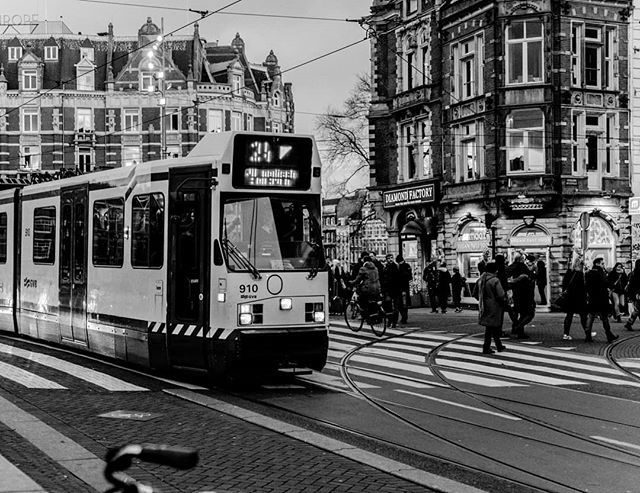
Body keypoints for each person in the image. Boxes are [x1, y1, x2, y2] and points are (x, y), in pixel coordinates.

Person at [474, 261, 506, 354]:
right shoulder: (495, 280)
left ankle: (498, 345)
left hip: (484, 305)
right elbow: (500, 295)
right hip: (494, 306)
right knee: (491, 327)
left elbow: (475, 293)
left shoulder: (481, 279)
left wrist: (482, 299)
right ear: (495, 270)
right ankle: (487, 347)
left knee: (492, 326)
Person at [585, 257, 619, 343]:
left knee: (591, 316)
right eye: (602, 263)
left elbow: (587, 285)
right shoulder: (601, 273)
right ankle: (609, 335)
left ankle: (588, 336)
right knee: (604, 318)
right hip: (601, 298)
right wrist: (611, 285)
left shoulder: (589, 273)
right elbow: (605, 283)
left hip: (592, 298)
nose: (604, 265)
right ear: (597, 264)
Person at [508, 253, 536, 339]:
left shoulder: (511, 266)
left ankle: (515, 327)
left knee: (516, 311)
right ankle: (519, 328)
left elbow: (506, 277)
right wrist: (521, 278)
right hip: (524, 293)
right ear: (521, 259)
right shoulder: (522, 267)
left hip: (515, 292)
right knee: (528, 313)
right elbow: (530, 278)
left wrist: (513, 281)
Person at [561, 257, 589, 341]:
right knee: (583, 316)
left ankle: (566, 334)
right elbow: (583, 288)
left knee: (569, 316)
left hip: (569, 298)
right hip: (579, 299)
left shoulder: (569, 272)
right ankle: (587, 332)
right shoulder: (580, 274)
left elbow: (564, 284)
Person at [381, 254, 401, 327]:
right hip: (388, 290)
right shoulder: (385, 268)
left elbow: (399, 278)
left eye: (391, 258)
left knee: (395, 307)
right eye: (389, 258)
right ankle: (389, 321)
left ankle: (394, 322)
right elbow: (383, 279)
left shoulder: (396, 267)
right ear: (386, 259)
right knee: (388, 306)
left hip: (395, 290)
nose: (390, 259)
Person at [624, 259, 640, 331]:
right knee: (637, 310)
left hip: (635, 294)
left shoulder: (633, 273)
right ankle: (628, 323)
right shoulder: (637, 274)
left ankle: (629, 323)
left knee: (638, 310)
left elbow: (631, 285)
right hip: (638, 294)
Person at [397, 255, 412, 324]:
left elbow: (408, 276)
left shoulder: (403, 266)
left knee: (402, 304)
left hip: (403, 288)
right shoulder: (405, 266)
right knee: (403, 304)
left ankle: (404, 317)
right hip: (403, 288)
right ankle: (404, 317)